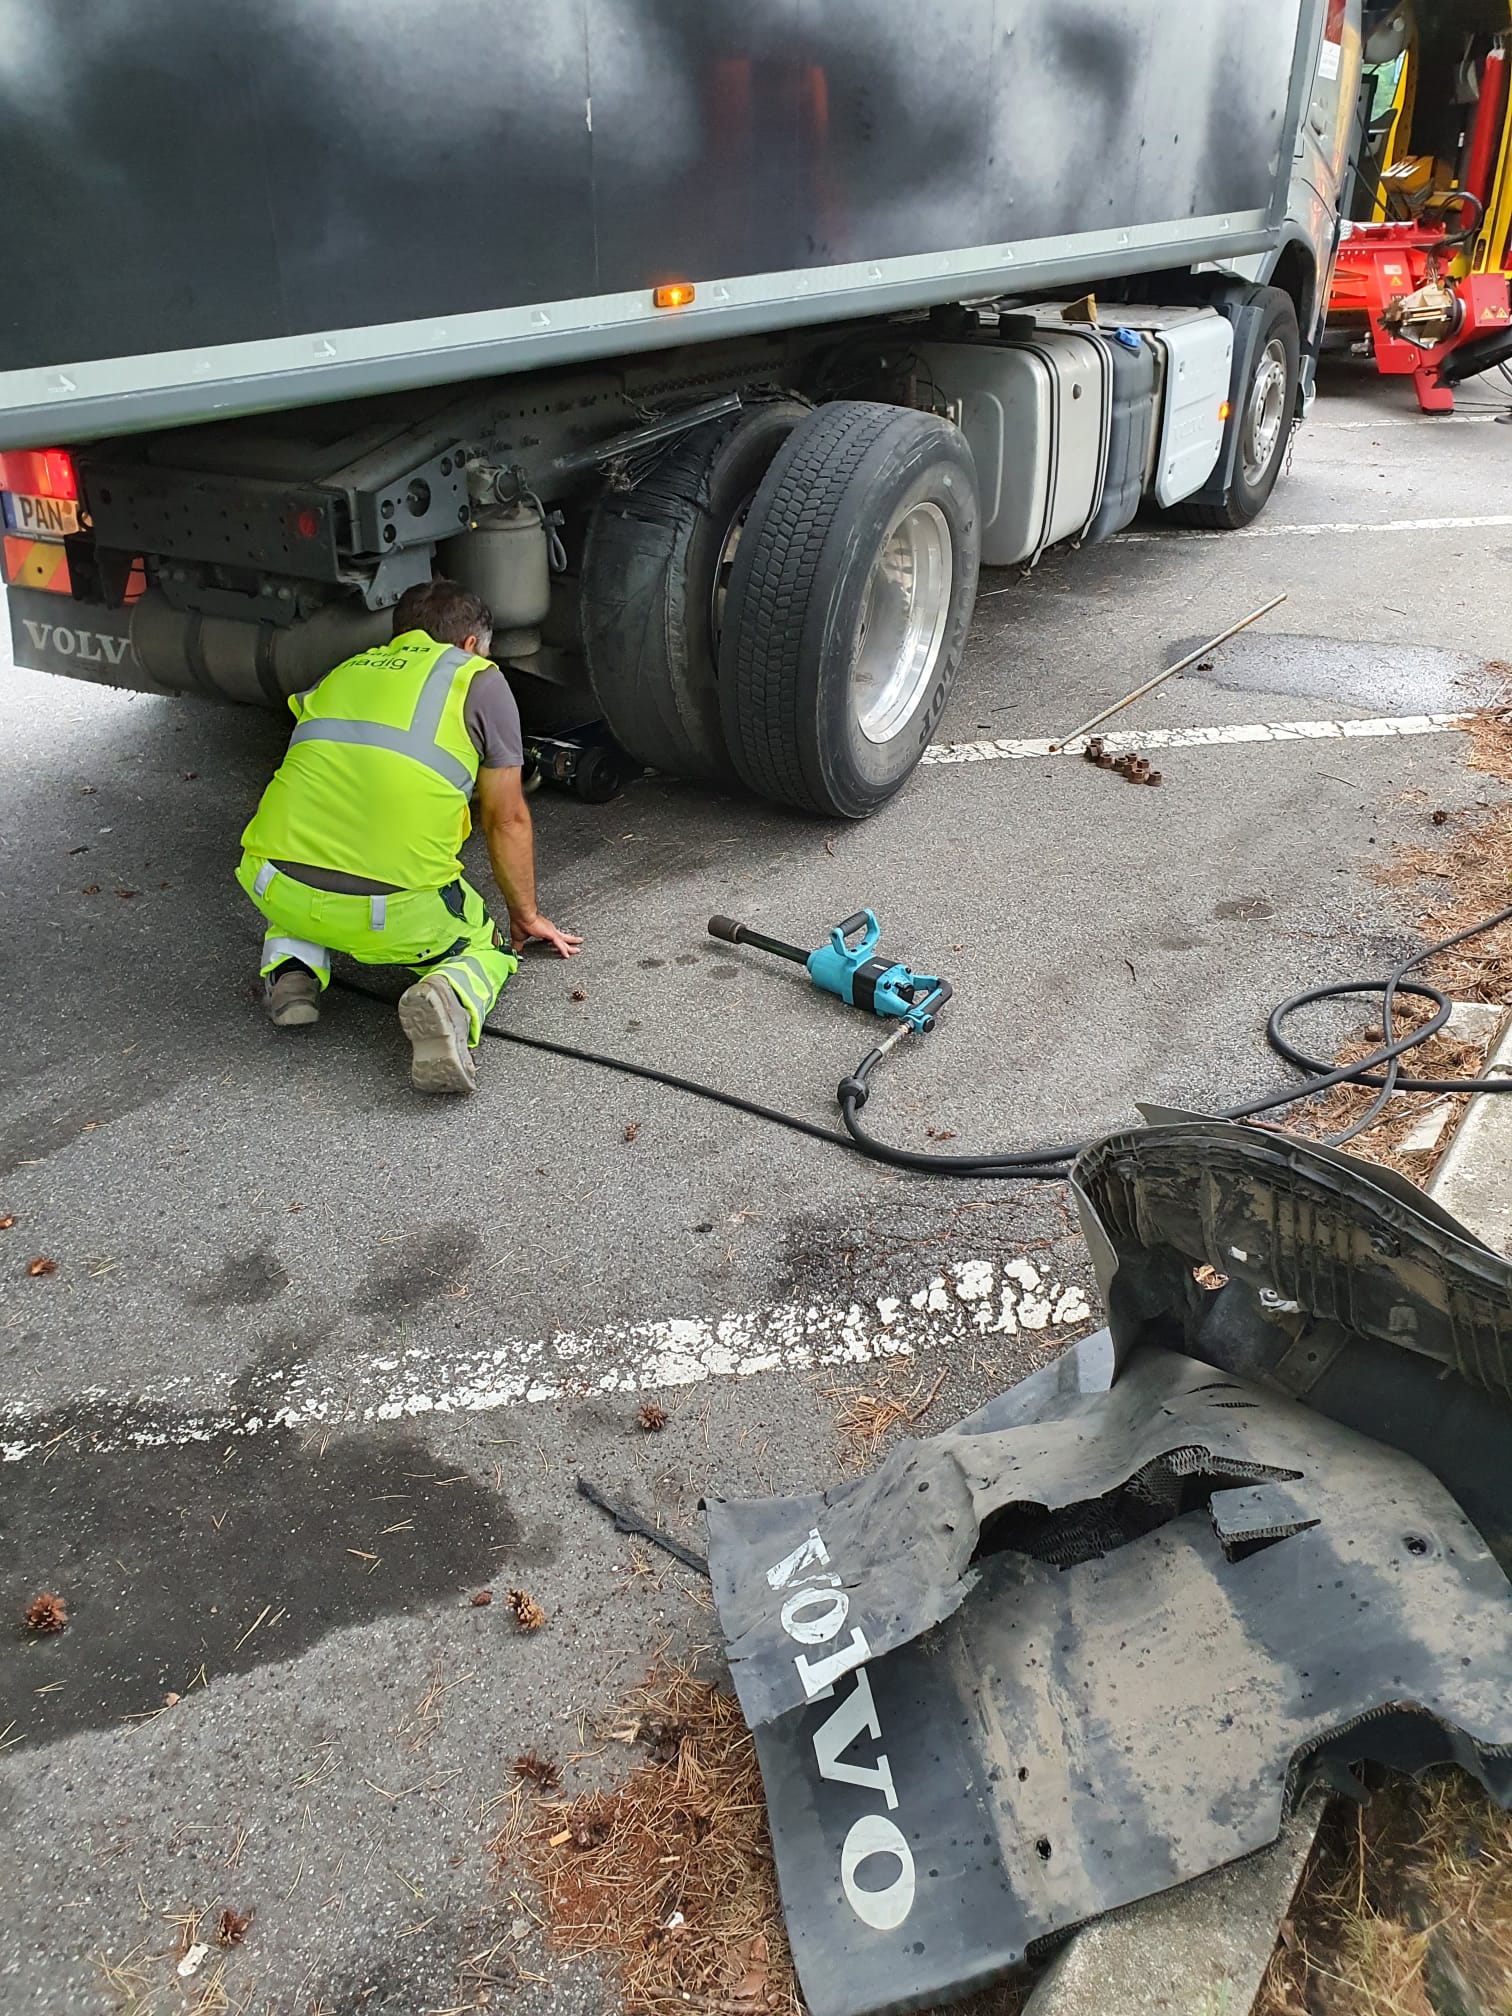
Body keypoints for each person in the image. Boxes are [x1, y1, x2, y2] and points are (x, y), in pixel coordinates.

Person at [237, 577, 581, 1094]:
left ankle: (291, 970)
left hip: (273, 883)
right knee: (483, 943)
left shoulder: (341, 672)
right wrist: (525, 916)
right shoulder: (478, 680)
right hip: (390, 913)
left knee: (310, 874)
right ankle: (449, 999)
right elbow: (505, 818)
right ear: (471, 646)